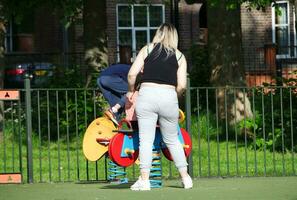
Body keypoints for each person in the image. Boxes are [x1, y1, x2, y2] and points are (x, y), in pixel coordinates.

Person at [126, 23, 193, 190]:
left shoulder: (147, 50)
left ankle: (144, 180)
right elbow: (182, 85)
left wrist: (131, 91)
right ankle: (186, 178)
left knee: (146, 140)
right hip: (169, 96)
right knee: (172, 140)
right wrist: (173, 95)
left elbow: (132, 74)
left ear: (158, 34)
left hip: (147, 95)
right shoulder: (180, 57)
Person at [97, 46, 132, 125]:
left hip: (99, 79)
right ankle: (114, 110)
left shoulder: (126, 67)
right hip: (109, 78)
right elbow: (130, 91)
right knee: (131, 92)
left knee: (115, 103)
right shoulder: (135, 71)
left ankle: (114, 126)